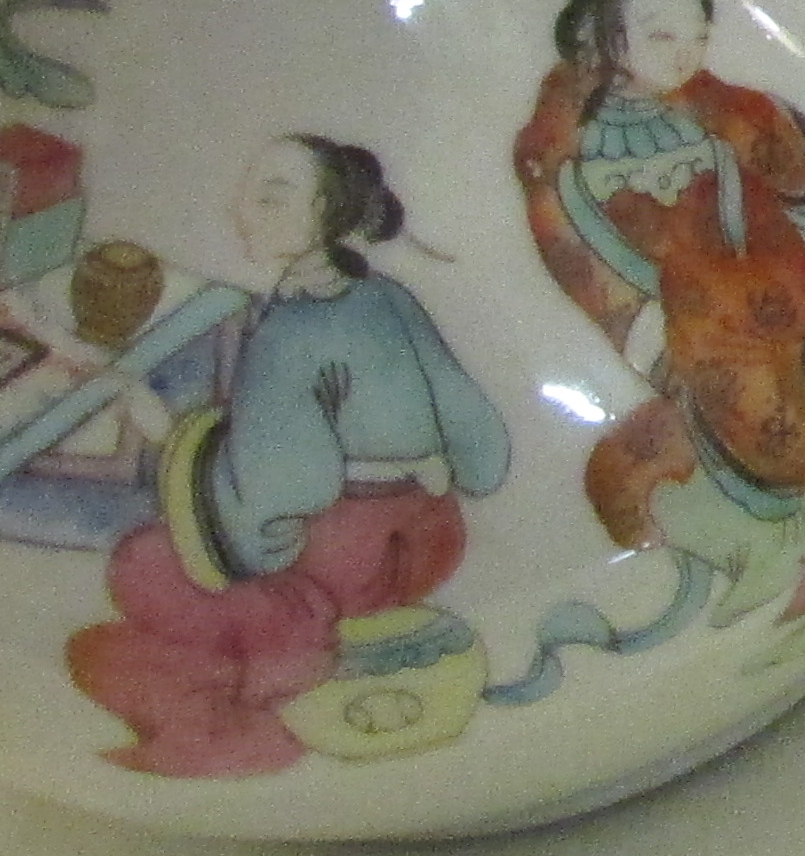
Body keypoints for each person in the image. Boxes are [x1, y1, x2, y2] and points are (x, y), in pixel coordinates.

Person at [66, 139, 510, 777]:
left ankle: (289, 662)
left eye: (270, 199)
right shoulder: (385, 295)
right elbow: (474, 429)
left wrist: (170, 439)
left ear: (326, 212)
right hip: (430, 531)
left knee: (144, 565)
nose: (244, 211)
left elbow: (282, 491)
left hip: (347, 553)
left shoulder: (291, 330)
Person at [515, 0, 805, 639]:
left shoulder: (712, 112)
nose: (683, 54)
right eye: (659, 36)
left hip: (760, 288)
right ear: (613, 38)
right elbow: (585, 262)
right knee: (728, 401)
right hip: (678, 319)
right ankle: (780, 554)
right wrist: (655, 328)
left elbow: (782, 190)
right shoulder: (572, 150)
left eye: (698, 36)